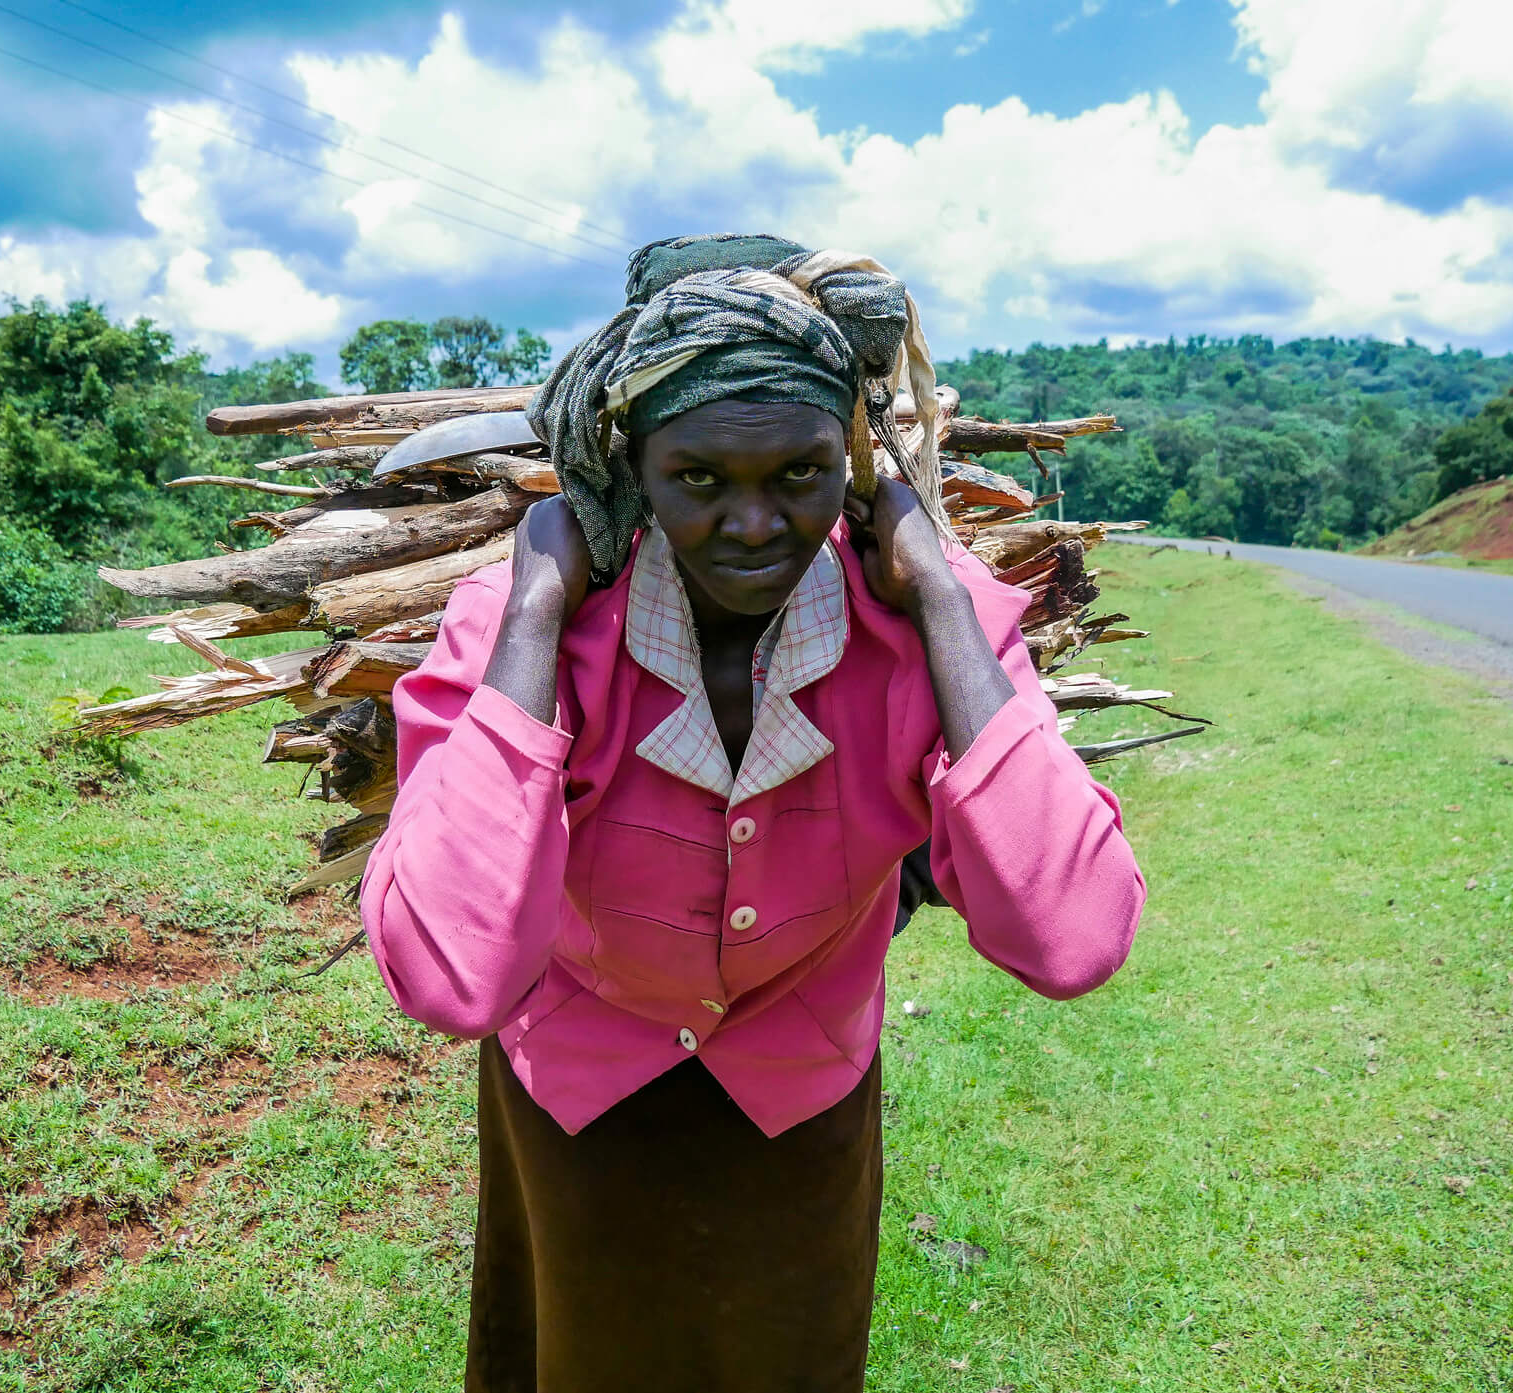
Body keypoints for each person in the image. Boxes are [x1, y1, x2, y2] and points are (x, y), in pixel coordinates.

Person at [358, 233, 1145, 1393]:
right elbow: (453, 976)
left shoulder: (917, 624)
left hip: (801, 1095)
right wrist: (530, 607)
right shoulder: (538, 625)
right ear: (633, 468)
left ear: (851, 462)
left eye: (799, 474)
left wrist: (939, 593)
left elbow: (1071, 938)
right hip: (580, 1090)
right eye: (697, 480)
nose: (753, 525)